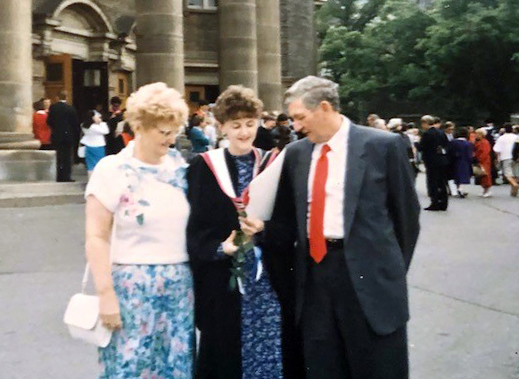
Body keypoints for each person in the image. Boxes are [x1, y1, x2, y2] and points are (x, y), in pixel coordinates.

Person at [265, 76, 420, 379]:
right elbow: (285, 219)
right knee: (322, 364)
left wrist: (386, 271)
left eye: (300, 117)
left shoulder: (382, 146)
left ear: (324, 107)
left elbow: (406, 218)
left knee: (376, 366)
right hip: (314, 276)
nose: (295, 126)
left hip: (367, 277)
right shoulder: (296, 154)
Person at [84, 82, 194, 379]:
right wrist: (105, 293)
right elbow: (96, 236)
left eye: (175, 131)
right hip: (131, 286)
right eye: (163, 131)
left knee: (176, 367)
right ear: (141, 126)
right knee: (129, 366)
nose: (171, 139)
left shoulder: (181, 168)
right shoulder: (112, 169)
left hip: (179, 285)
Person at [187, 85, 286, 379]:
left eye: (249, 124)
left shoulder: (273, 165)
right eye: (235, 125)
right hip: (223, 279)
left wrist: (265, 230)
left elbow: (288, 222)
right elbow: (194, 225)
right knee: (226, 351)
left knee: (269, 349)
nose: (244, 132)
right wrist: (220, 248)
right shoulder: (203, 167)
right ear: (222, 127)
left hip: (267, 278)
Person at [47, 90, 80, 182]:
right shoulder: (70, 108)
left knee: (58, 156)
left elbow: (49, 121)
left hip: (56, 135)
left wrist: (55, 128)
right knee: (67, 157)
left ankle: (58, 176)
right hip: (68, 136)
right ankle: (66, 176)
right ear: (66, 98)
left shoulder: (53, 108)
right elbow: (75, 124)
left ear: (57, 98)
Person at [419, 115, 450, 211]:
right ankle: (444, 203)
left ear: (425, 123)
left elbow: (422, 147)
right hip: (442, 160)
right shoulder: (441, 132)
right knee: (442, 182)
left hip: (432, 161)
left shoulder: (427, 134)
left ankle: (435, 202)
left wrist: (417, 144)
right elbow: (446, 144)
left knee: (433, 182)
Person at [80, 110, 109, 177]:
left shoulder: (84, 125)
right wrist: (101, 123)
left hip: (88, 146)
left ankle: (90, 182)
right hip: (98, 146)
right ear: (93, 117)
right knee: (99, 165)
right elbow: (106, 131)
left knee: (90, 166)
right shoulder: (94, 127)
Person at [493, 123, 519, 196]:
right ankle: (513, 190)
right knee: (516, 173)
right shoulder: (516, 137)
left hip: (506, 157)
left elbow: (496, 149)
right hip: (516, 157)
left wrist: (496, 158)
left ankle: (514, 184)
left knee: (508, 174)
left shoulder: (501, 138)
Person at [450, 127, 474, 198]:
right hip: (464, 161)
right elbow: (469, 154)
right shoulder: (468, 144)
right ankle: (461, 189)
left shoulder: (453, 142)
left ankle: (458, 189)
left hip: (455, 161)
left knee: (457, 176)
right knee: (463, 176)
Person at [474, 128, 493, 197]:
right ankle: (484, 190)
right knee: (482, 176)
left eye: (477, 134)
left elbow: (485, 152)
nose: (476, 135)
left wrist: (480, 159)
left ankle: (487, 190)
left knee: (486, 175)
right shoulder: (478, 142)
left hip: (484, 161)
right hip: (480, 160)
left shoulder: (484, 142)